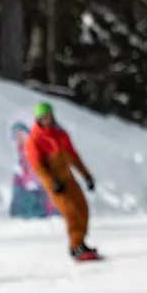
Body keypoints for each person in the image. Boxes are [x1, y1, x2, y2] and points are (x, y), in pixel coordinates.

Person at [25, 102, 102, 262]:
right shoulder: (34, 140)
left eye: (49, 116)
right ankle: (75, 247)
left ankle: (81, 242)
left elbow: (73, 156)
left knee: (82, 208)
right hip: (55, 183)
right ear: (38, 119)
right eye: (43, 117)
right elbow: (38, 167)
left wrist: (86, 175)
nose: (47, 119)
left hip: (69, 179)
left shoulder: (60, 134)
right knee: (71, 212)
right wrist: (52, 182)